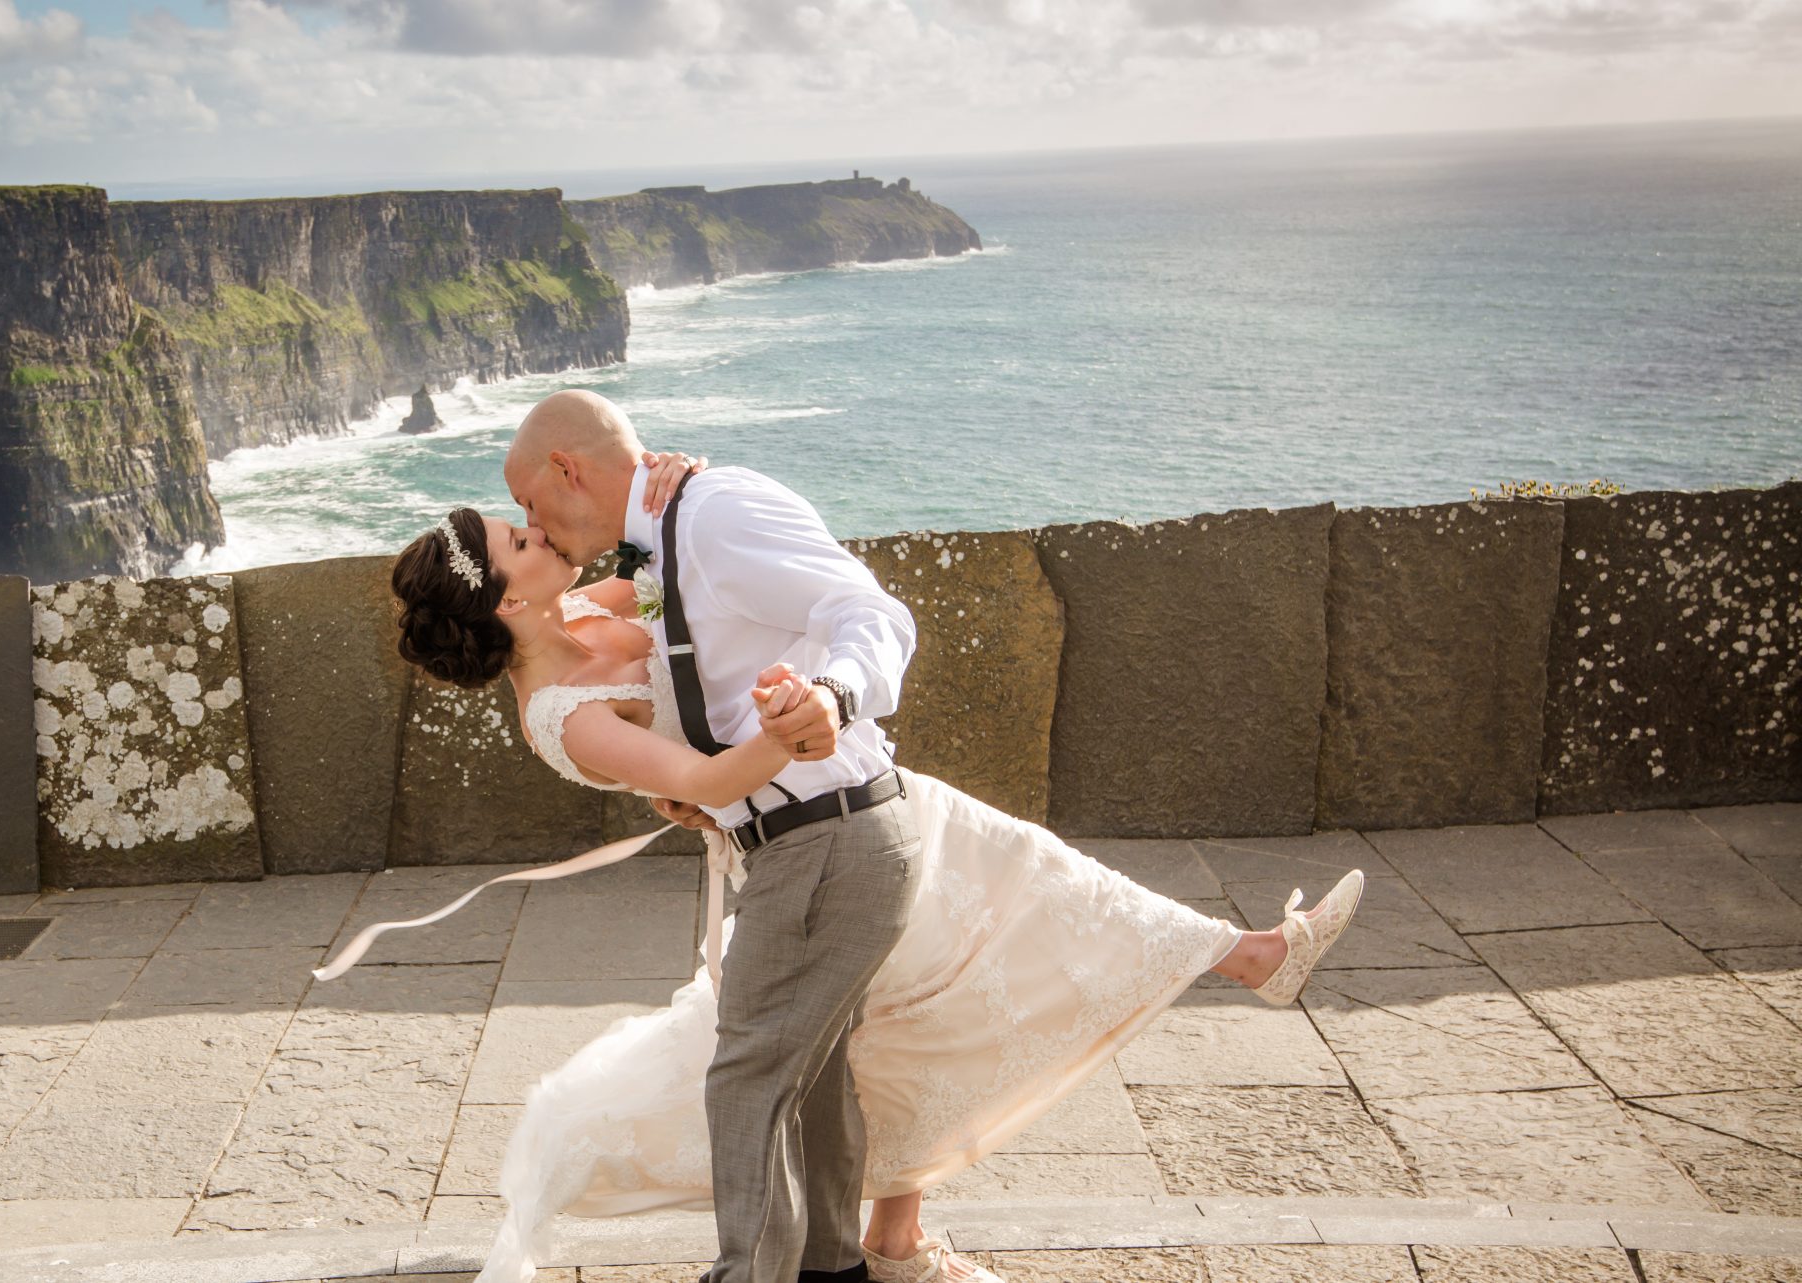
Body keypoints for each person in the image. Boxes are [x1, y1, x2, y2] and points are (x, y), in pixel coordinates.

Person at [374, 391, 1361, 1283]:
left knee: (771, 1066)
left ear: (569, 472)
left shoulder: (627, 574)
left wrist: (673, 507)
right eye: (517, 533)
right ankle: (847, 1259)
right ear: (506, 600)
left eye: (525, 509)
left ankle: (808, 1262)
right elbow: (683, 720)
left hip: (824, 828)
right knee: (805, 1071)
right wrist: (766, 730)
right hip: (795, 826)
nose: (534, 526)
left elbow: (674, 591)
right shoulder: (561, 689)